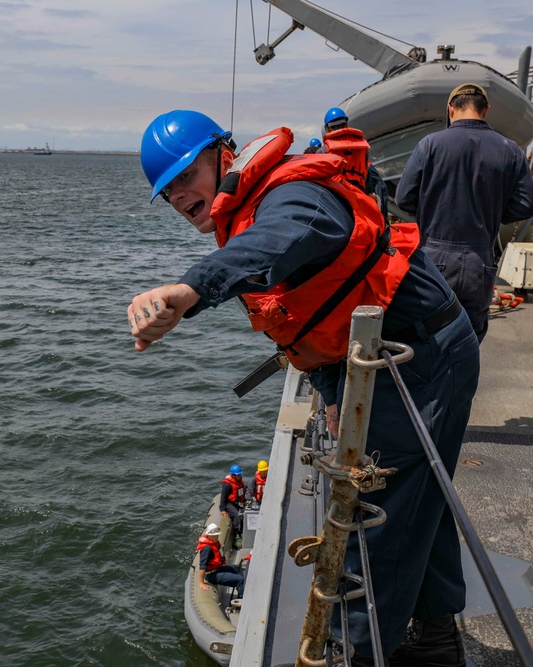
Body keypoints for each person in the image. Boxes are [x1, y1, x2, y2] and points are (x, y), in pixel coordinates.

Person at [129, 109, 480, 666]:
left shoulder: (288, 196)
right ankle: (435, 641)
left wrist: (193, 287)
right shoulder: (249, 209)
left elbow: (289, 238)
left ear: (225, 154)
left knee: (378, 518)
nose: (178, 197)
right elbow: (312, 317)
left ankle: (363, 655)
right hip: (394, 352)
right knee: (418, 502)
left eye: (185, 178)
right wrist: (333, 387)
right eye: (167, 191)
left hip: (421, 355)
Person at [395, 82, 533, 342]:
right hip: (478, 261)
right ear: (486, 110)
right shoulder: (510, 150)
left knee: (427, 336)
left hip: (434, 257)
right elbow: (526, 205)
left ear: (451, 109)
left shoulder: (430, 144)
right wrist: (495, 212)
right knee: (468, 341)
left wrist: (433, 209)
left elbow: (404, 199)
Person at [321, 107, 389, 220]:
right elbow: (366, 176)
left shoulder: (323, 151)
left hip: (336, 202)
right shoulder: (362, 148)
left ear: (327, 129)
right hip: (359, 200)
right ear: (346, 124)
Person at [196, 523, 245, 597]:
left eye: (217, 535)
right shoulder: (207, 549)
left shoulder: (214, 543)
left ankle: (242, 587)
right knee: (240, 579)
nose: (216, 537)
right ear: (208, 535)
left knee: (236, 568)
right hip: (211, 575)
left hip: (217, 569)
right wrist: (201, 583)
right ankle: (242, 596)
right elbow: (203, 566)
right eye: (214, 536)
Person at [220, 464, 246, 545]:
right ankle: (237, 535)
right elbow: (223, 497)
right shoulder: (227, 485)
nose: (240, 476)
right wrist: (223, 510)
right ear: (233, 476)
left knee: (245, 512)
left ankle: (244, 530)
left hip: (237, 501)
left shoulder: (240, 482)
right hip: (229, 503)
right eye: (238, 475)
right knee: (236, 515)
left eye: (240, 474)